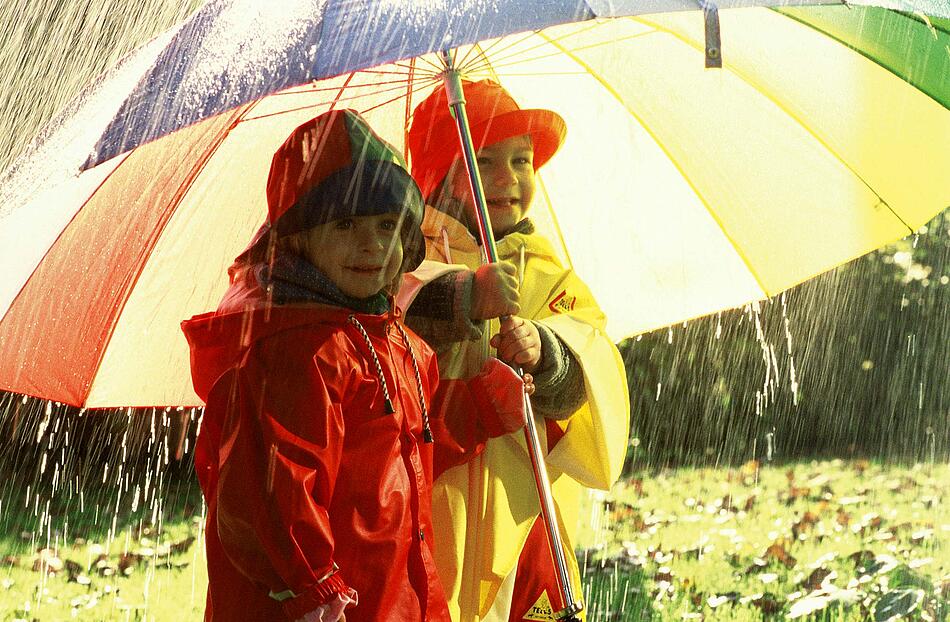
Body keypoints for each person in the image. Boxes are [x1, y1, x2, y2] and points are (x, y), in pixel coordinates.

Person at [182, 109, 530, 622]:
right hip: (328, 605)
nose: (373, 246)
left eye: (388, 225)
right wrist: (317, 592)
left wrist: (488, 399)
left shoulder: (398, 341)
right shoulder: (294, 356)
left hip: (397, 596)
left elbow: (416, 441)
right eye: (345, 224)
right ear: (297, 238)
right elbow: (274, 496)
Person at [400, 80, 630, 621]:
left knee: (525, 603)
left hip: (522, 500)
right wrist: (464, 297)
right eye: (483, 160)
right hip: (436, 488)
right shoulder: (406, 250)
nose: (507, 179)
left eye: (521, 161)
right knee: (430, 595)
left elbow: (588, 358)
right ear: (437, 171)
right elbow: (398, 315)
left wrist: (547, 351)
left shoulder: (547, 272)